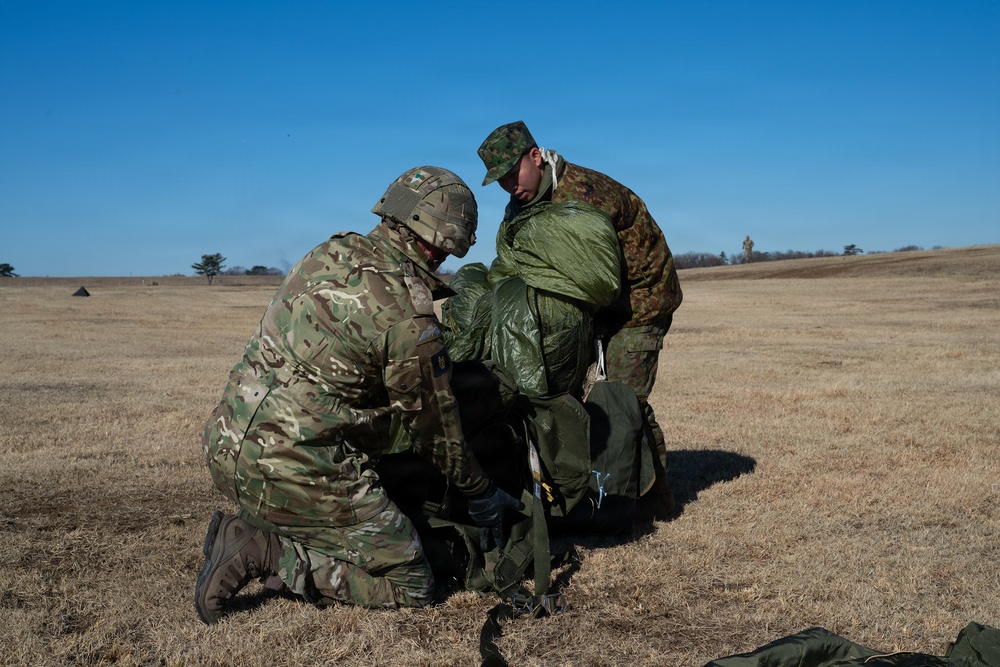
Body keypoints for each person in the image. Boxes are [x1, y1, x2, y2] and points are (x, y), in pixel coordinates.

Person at [195, 166, 521, 624]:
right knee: (411, 582)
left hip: (224, 445)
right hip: (290, 466)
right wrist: (481, 491)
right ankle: (266, 550)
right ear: (441, 243)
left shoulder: (329, 252)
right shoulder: (408, 316)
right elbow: (435, 431)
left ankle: (280, 521)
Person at [477, 121, 682, 501]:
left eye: (512, 173)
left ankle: (653, 500)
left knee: (624, 399)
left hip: (639, 304)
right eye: (501, 181)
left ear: (536, 157)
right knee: (570, 397)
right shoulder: (523, 205)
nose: (510, 186)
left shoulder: (583, 195)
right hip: (592, 310)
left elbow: (594, 277)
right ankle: (579, 489)